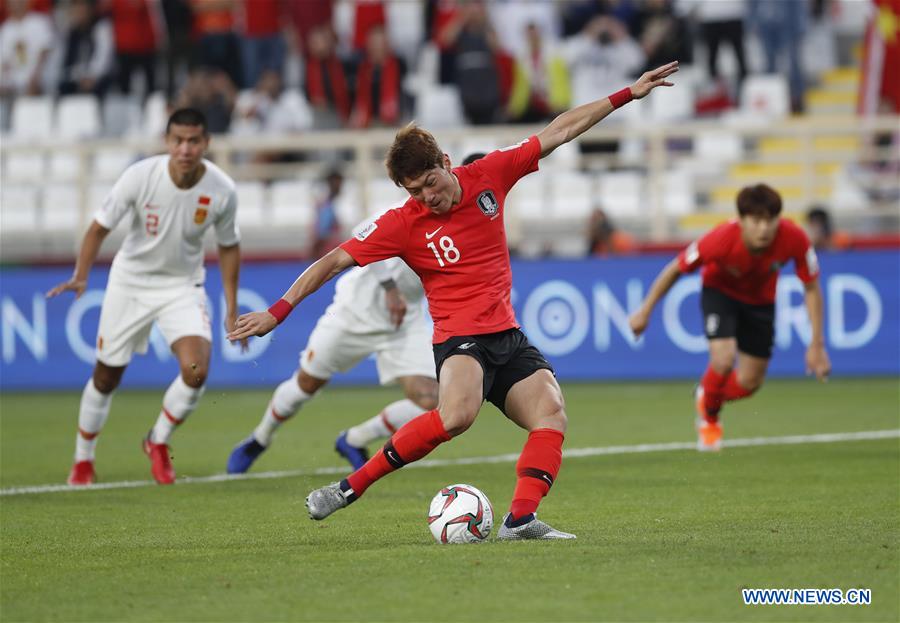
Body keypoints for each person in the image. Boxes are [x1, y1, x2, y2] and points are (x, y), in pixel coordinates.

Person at [229, 62, 679, 540]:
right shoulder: (403, 222)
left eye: (430, 183)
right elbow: (333, 261)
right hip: (460, 338)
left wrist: (627, 93)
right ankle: (348, 488)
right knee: (456, 417)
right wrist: (278, 310)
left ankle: (520, 520)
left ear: (445, 161)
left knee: (551, 412)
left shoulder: (490, 175)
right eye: (414, 191)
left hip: (506, 334)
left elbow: (559, 130)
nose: (427, 197)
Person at [227, 153, 485, 475]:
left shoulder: (477, 224)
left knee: (433, 397)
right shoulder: (409, 209)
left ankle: (354, 439)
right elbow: (361, 230)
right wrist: (390, 286)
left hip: (403, 322)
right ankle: (259, 438)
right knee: (307, 383)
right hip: (355, 311)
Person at [48, 108, 245, 486]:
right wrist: (81, 274)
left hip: (182, 285)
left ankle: (157, 440)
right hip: (131, 283)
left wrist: (232, 306)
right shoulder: (140, 177)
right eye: (178, 141)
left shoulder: (222, 190)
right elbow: (97, 229)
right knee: (106, 377)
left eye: (193, 141)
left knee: (197, 370)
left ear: (206, 143)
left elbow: (229, 246)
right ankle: (83, 460)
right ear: (167, 142)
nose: (185, 149)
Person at [628, 184, 831, 452]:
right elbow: (676, 268)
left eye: (770, 220)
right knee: (722, 360)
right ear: (742, 221)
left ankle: (707, 395)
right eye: (756, 221)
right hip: (720, 293)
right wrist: (645, 310)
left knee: (750, 383)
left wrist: (816, 344)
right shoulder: (720, 239)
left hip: (761, 303)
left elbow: (811, 288)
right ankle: (710, 419)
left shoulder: (794, 238)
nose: (763, 228)